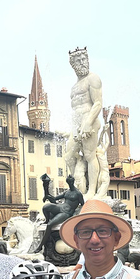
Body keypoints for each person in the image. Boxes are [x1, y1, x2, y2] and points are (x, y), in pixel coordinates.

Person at [62, 47, 106, 199]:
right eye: (78, 61)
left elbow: (98, 103)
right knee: (69, 156)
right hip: (76, 123)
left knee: (89, 155)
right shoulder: (74, 86)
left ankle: (92, 191)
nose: (82, 63)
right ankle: (77, 188)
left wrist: (88, 122)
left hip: (89, 119)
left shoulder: (93, 78)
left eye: (84, 59)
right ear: (73, 65)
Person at [34, 174, 84, 253]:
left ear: (73, 182)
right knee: (46, 207)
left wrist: (75, 213)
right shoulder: (67, 192)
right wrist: (47, 194)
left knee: (50, 225)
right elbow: (54, 198)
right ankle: (47, 220)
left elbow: (82, 204)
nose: (70, 184)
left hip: (67, 212)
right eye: (68, 182)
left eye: (71, 182)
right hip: (60, 207)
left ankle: (40, 246)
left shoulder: (78, 193)